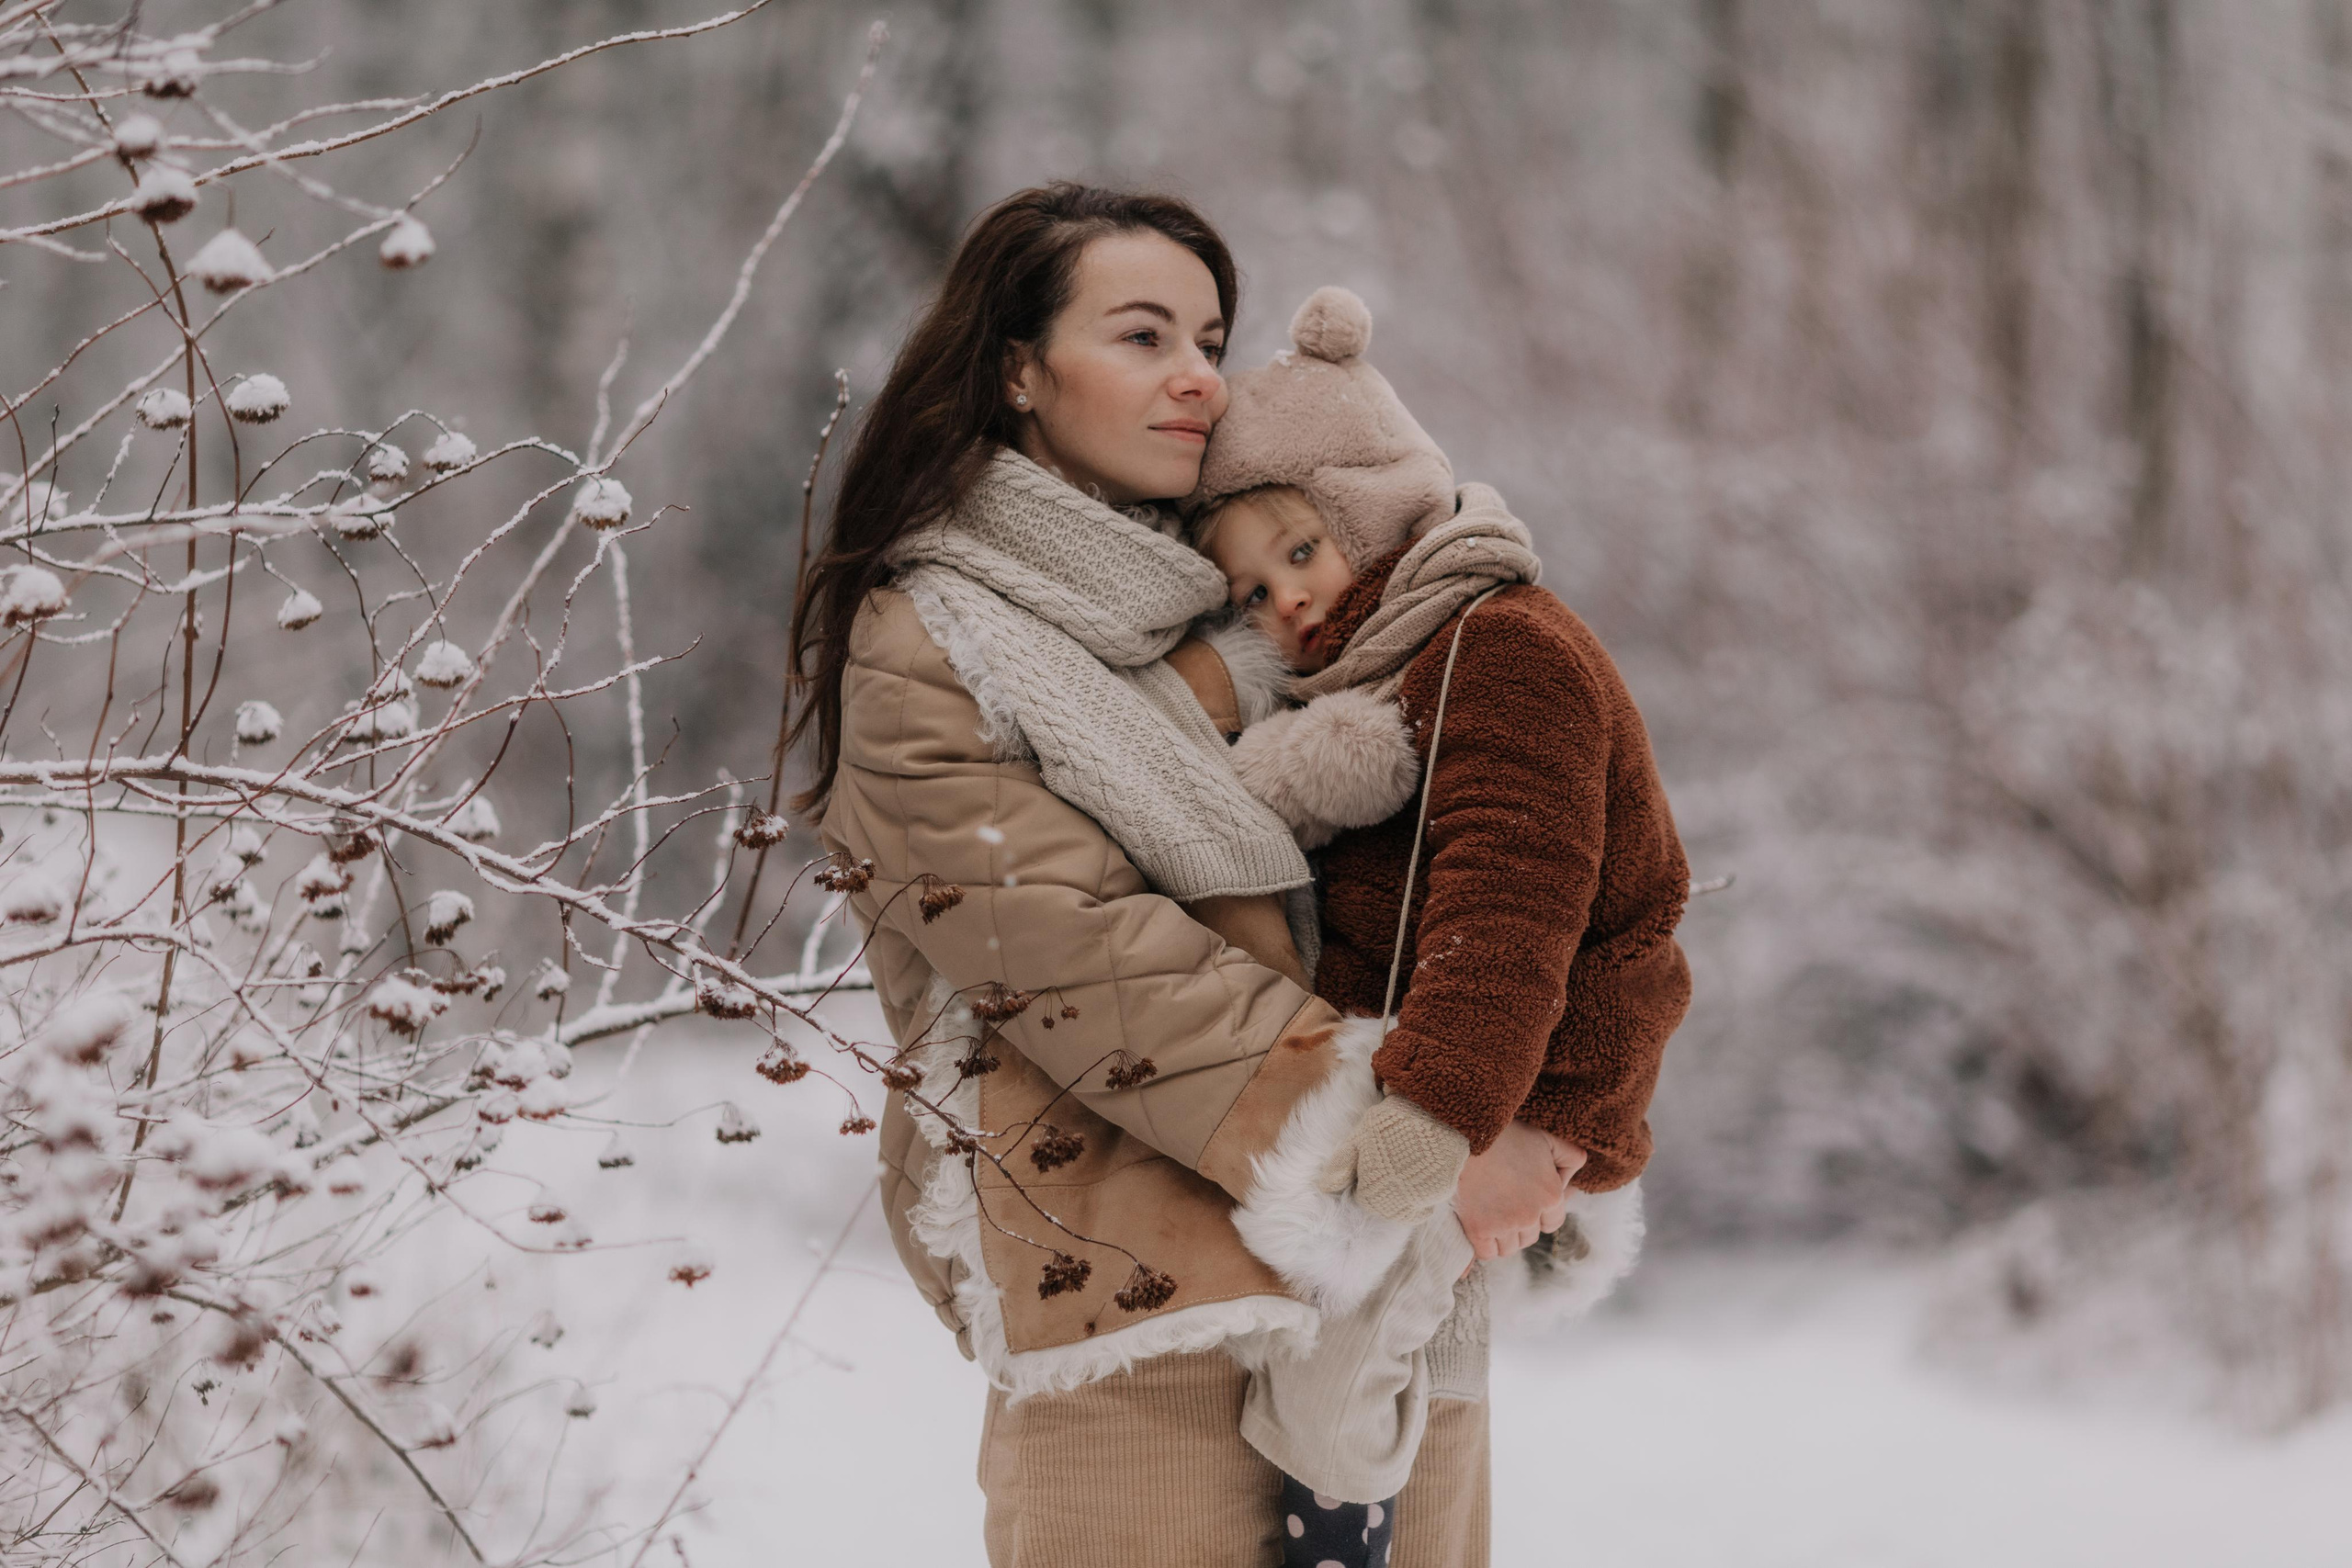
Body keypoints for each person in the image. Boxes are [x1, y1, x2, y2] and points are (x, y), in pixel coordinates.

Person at [790, 187, 1560, 1567]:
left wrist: (1527, 1090)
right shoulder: (933, 637)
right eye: (1142, 335)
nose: (1198, 372)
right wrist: (1425, 1138)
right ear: (1019, 368)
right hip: (1139, 1291)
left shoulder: (1284, 605)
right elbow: (1089, 965)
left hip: (1385, 1291)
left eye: (1211, 336)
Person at [1177, 286, 1694, 1562]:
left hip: (1506, 1093)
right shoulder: (1413, 664)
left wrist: (1427, 1140)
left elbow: (1505, 913)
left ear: (1371, 505)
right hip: (1473, 1084)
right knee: (1354, 1379)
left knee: (1325, 1391)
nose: (1283, 602)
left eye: (1302, 550)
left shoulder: (1501, 650)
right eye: (1247, 590)